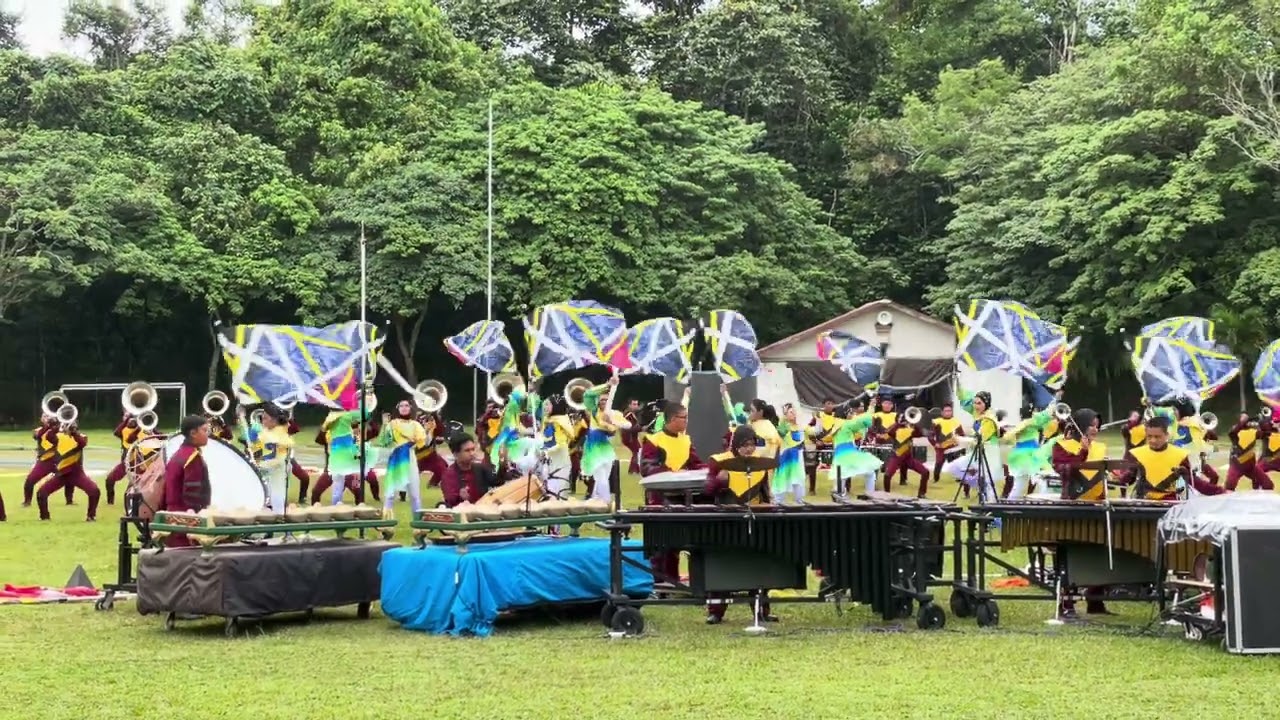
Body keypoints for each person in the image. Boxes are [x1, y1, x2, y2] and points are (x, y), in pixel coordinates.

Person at [704, 425, 775, 624]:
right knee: (723, 566)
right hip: (726, 522)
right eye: (745, 445)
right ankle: (716, 611)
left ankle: (761, 610)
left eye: (752, 445)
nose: (749, 449)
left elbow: (764, 495)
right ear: (736, 445)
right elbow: (707, 491)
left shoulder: (760, 465)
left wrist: (770, 506)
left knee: (757, 565)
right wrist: (719, 481)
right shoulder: (719, 461)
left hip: (753, 522)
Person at [1051, 408, 1110, 615]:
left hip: (1098, 504)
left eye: (1097, 425)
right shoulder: (1061, 445)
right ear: (1080, 425)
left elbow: (1103, 471)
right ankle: (1067, 603)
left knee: (1101, 553)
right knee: (1071, 555)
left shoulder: (1101, 446)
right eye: (1091, 425)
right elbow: (1065, 469)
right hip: (1072, 506)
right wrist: (1083, 452)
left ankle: (1096, 601)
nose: (1096, 429)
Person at [639, 398, 705, 581]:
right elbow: (647, 469)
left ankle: (683, 580)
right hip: (660, 499)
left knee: (682, 543)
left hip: (683, 498)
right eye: (683, 418)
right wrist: (673, 474)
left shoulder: (686, 440)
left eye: (686, 417)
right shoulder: (654, 440)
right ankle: (661, 583)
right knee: (662, 546)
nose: (686, 421)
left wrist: (709, 470)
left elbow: (695, 463)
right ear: (671, 419)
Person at [1118, 415, 1225, 499]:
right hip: (1144, 502)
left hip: (1170, 505)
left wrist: (1220, 491)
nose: (1153, 440)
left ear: (1167, 436)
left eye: (1157, 437)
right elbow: (1128, 480)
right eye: (1149, 437)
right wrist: (1117, 478)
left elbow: (1195, 482)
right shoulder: (1139, 454)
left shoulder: (1179, 455)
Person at [161, 415, 212, 547]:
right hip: (185, 518)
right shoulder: (191, 457)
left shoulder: (180, 453)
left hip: (172, 515)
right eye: (204, 430)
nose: (207, 434)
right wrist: (198, 513)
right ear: (193, 433)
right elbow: (192, 493)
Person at [36, 418, 101, 521]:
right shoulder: (58, 437)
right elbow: (48, 436)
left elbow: (82, 444)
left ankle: (91, 516)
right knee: (41, 493)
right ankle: (44, 517)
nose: (67, 426)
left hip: (76, 474)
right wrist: (55, 426)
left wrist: (73, 432)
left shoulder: (81, 437)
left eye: (71, 424)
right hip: (61, 474)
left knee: (94, 491)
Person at [944, 389, 1002, 503]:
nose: (975, 406)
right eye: (975, 402)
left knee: (990, 490)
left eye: (979, 403)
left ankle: (995, 519)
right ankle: (979, 485)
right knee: (954, 467)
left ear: (986, 403)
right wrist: (957, 381)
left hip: (989, 455)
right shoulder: (978, 413)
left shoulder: (989, 420)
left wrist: (959, 439)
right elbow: (964, 398)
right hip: (976, 453)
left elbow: (978, 440)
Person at [581, 374, 629, 503]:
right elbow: (587, 394)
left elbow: (627, 425)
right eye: (601, 399)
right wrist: (607, 385)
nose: (603, 402)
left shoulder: (614, 413)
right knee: (600, 477)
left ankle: (598, 501)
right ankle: (604, 502)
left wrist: (612, 421)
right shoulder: (594, 411)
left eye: (606, 400)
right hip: (593, 449)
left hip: (606, 449)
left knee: (603, 477)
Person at [377, 400, 428, 515]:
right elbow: (383, 441)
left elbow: (421, 442)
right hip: (395, 459)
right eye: (401, 406)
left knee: (415, 494)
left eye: (406, 406)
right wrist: (385, 425)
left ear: (410, 408)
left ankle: (418, 524)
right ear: (398, 408)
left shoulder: (416, 425)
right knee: (390, 494)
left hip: (410, 458)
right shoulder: (392, 424)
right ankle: (386, 524)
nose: (404, 408)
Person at [241, 404, 293, 512]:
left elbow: (279, 449)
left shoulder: (275, 433)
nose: (263, 421)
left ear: (274, 420)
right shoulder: (271, 432)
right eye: (262, 418)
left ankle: (280, 522)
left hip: (275, 469)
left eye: (265, 418)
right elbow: (255, 448)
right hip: (265, 468)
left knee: (276, 497)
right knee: (264, 497)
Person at [1002, 404, 1055, 499]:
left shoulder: (1025, 423)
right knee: (1043, 478)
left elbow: (1007, 437)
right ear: (1032, 412)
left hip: (1018, 455)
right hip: (1030, 455)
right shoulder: (1032, 422)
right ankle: (1044, 503)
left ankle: (1010, 505)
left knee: (1019, 486)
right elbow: (1045, 415)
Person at [882, 411, 932, 496]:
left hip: (908, 458)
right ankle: (887, 495)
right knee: (887, 475)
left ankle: (921, 494)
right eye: (901, 417)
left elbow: (920, 433)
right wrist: (899, 423)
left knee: (925, 472)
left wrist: (913, 424)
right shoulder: (895, 428)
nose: (904, 419)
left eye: (904, 417)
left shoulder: (911, 429)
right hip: (896, 457)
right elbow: (890, 432)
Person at [441, 433, 498, 507]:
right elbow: (450, 500)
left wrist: (503, 463)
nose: (472, 453)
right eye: (467, 450)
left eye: (473, 449)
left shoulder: (479, 468)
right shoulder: (449, 474)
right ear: (455, 454)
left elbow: (497, 481)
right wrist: (460, 497)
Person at [1225, 412, 1274, 490]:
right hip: (1237, 465)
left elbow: (1266, 433)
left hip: (1251, 466)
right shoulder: (1235, 431)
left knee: (1268, 484)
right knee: (1229, 486)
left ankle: (1257, 497)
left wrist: (1264, 421)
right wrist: (1242, 421)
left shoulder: (1253, 432)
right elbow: (1231, 432)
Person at [541, 395, 577, 498]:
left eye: (548, 404)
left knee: (557, 493)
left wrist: (547, 452)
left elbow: (561, 444)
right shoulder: (548, 420)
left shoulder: (558, 422)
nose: (545, 407)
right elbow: (545, 440)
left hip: (560, 462)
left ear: (556, 406)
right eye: (545, 404)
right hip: (550, 462)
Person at [773, 404, 807, 503]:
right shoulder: (784, 426)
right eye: (791, 412)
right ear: (785, 414)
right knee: (782, 477)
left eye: (794, 412)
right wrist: (784, 417)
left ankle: (799, 499)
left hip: (797, 458)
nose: (794, 414)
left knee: (798, 478)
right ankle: (778, 500)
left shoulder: (799, 427)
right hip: (785, 457)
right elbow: (781, 431)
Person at [22, 414, 60, 506]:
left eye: (48, 416)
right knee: (29, 481)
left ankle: (69, 500)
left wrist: (57, 424)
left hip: (58, 459)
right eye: (45, 416)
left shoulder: (57, 430)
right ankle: (27, 501)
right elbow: (37, 435)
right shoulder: (38, 430)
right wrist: (48, 426)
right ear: (41, 419)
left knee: (70, 477)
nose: (47, 418)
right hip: (44, 461)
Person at [806, 398, 839, 494]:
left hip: (834, 444)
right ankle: (812, 489)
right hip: (819, 444)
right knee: (812, 466)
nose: (830, 406)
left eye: (832, 404)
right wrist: (816, 441)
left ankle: (843, 488)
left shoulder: (837, 416)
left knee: (841, 464)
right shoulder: (818, 416)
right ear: (823, 405)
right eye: (828, 403)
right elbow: (809, 430)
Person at [930, 403, 965, 484]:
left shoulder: (956, 422)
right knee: (939, 463)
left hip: (953, 447)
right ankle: (936, 478)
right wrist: (935, 443)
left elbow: (962, 434)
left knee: (956, 463)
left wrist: (959, 441)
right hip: (941, 448)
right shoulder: (937, 422)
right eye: (946, 411)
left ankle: (959, 478)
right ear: (942, 412)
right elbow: (930, 435)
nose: (948, 413)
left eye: (949, 411)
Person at [415, 410, 449, 487]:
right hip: (419, 456)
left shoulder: (433, 422)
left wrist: (436, 417)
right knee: (410, 475)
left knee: (444, 467)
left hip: (431, 455)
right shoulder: (417, 421)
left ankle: (432, 483)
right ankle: (403, 492)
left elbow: (440, 433)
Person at [621, 398, 643, 475]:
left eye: (637, 404)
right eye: (634, 404)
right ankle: (633, 470)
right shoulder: (628, 414)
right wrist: (641, 428)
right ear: (629, 405)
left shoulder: (631, 413)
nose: (636, 406)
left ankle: (635, 469)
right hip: (629, 437)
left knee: (638, 451)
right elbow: (629, 428)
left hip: (632, 437)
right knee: (636, 452)